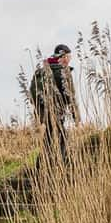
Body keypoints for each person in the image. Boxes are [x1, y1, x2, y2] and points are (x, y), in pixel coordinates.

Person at [29, 44, 80, 172]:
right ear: (63, 56)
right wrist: (76, 115)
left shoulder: (45, 70)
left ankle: (39, 168)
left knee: (48, 139)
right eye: (68, 56)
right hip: (56, 112)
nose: (69, 59)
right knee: (62, 137)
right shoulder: (63, 71)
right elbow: (69, 96)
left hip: (44, 112)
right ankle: (59, 165)